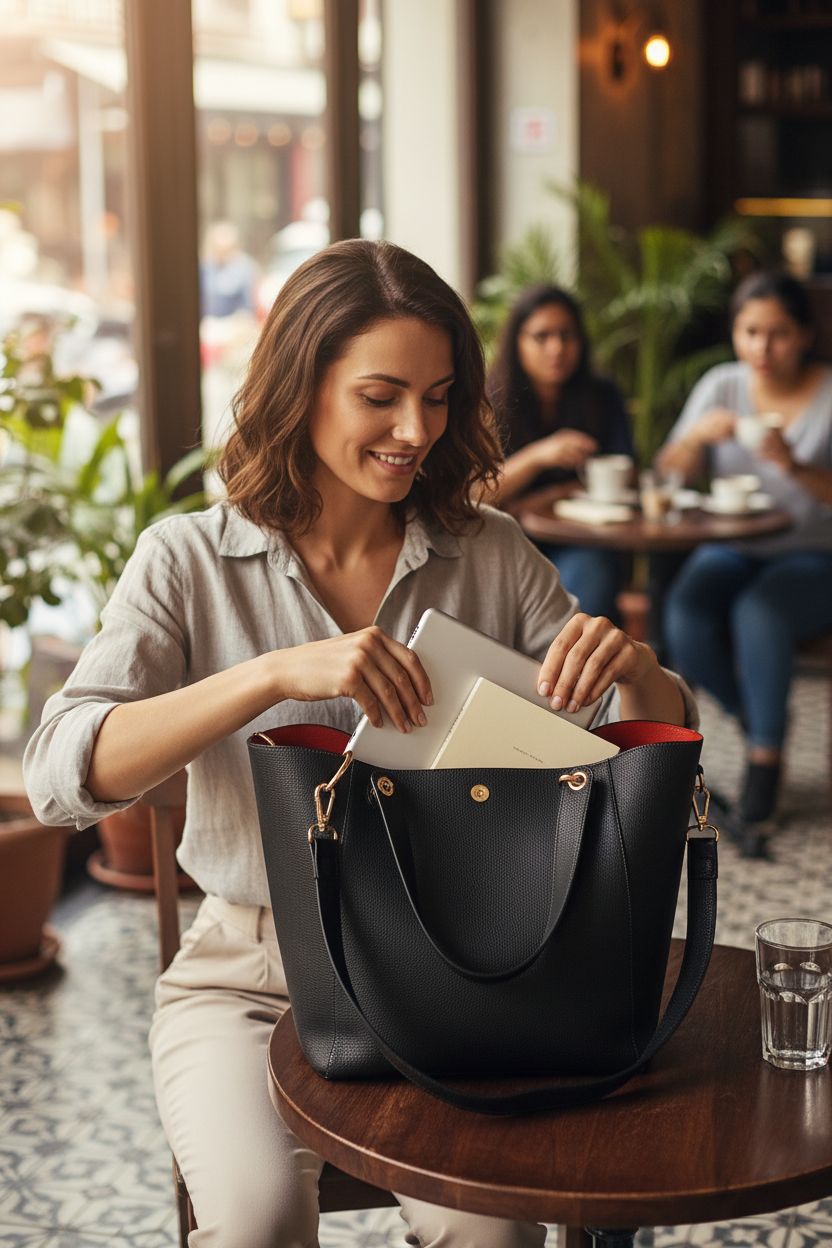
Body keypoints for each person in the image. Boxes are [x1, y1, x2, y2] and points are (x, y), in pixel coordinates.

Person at [24, 240, 692, 1248]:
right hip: (247, 983)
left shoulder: (488, 551)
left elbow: (655, 734)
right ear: (302, 386)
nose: (415, 430)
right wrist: (271, 674)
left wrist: (631, 665)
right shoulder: (189, 558)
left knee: (494, 1237)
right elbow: (58, 775)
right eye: (380, 395)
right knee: (254, 1228)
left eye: (437, 396)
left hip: (463, 970)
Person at [657, 270, 832, 826]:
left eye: (778, 333)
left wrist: (794, 466)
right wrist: (696, 439)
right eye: (750, 331)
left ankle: (765, 759)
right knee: (683, 612)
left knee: (760, 611)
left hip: (814, 552)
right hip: (732, 546)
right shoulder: (721, 386)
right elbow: (666, 472)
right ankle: (759, 717)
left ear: (805, 334)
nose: (762, 347)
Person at [487, 284, 635, 619]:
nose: (557, 348)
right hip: (508, 544)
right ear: (517, 342)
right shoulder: (491, 399)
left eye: (567, 336)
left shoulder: (602, 395)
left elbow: (626, 473)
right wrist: (541, 455)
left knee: (590, 578)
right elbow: (476, 494)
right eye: (542, 337)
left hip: (584, 541)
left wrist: (539, 499)